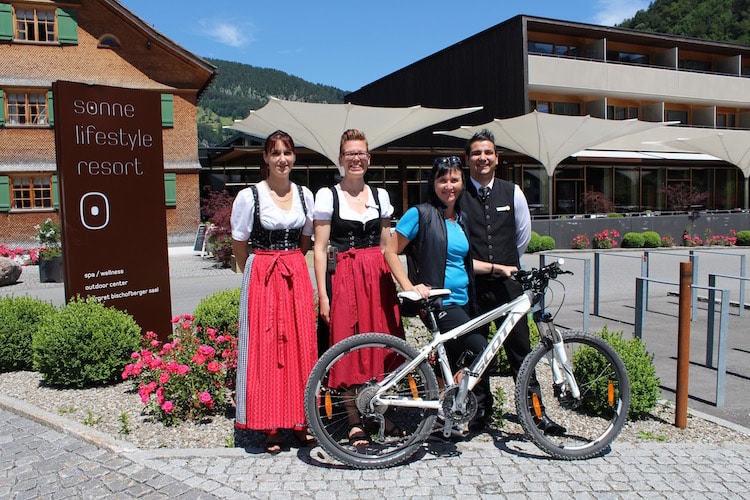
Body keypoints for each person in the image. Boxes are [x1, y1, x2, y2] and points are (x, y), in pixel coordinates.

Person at [460, 129, 565, 435]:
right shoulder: (458, 194)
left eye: (488, 152)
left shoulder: (513, 192)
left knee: (522, 352)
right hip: (474, 287)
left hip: (510, 287)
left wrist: (506, 266)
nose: (483, 158)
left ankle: (534, 414)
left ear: (496, 158)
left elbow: (522, 237)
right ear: (468, 159)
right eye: (477, 153)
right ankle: (479, 414)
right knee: (477, 353)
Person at [383, 155, 491, 434]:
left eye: (454, 179)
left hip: (464, 301)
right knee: (482, 350)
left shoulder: (460, 219)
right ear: (433, 183)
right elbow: (390, 252)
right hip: (439, 302)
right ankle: (445, 410)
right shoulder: (420, 214)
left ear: (462, 182)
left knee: (454, 362)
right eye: (442, 179)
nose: (449, 185)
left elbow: (460, 261)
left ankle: (444, 413)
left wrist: (500, 269)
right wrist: (410, 287)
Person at [312, 128, 404, 446]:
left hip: (376, 278)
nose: (356, 158)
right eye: (350, 153)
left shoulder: (381, 197)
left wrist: (399, 283)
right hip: (345, 278)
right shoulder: (328, 196)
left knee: (381, 345)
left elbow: (386, 245)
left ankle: (380, 413)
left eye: (361, 153)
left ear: (369, 158)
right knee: (348, 346)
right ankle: (353, 419)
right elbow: (321, 248)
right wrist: (323, 294)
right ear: (340, 159)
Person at [230, 130, 317, 453]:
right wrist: (255, 271)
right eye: (276, 153)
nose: (282, 159)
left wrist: (291, 262)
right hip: (263, 274)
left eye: (287, 153)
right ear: (265, 158)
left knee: (299, 345)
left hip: (293, 271)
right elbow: (240, 244)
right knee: (265, 348)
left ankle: (299, 419)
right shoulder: (250, 196)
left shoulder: (305, 195)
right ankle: (270, 424)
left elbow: (305, 240)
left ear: (294, 157)